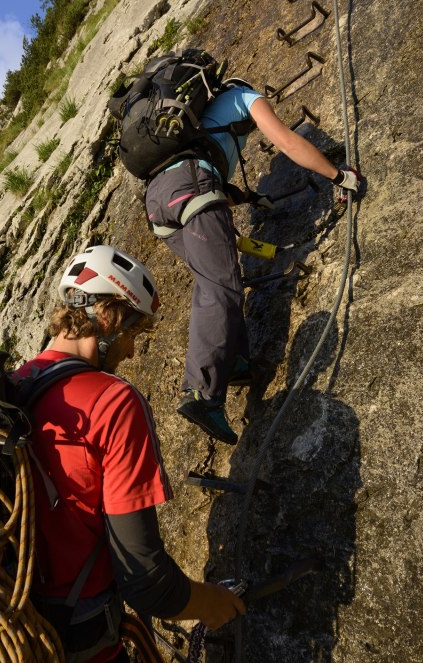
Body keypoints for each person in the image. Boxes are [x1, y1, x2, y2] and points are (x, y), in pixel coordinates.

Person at [11, 245, 245, 663]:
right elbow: (147, 581)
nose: (132, 352)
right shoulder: (112, 404)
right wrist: (211, 604)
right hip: (79, 644)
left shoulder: (14, 389)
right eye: (133, 334)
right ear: (108, 317)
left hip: (14, 634)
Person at [143, 60, 365, 445]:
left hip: (158, 203)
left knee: (214, 279)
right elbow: (288, 142)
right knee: (221, 287)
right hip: (190, 185)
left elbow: (200, 179)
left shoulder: (193, 130)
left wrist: (249, 197)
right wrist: (338, 175)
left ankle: (237, 363)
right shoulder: (244, 96)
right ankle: (202, 393)